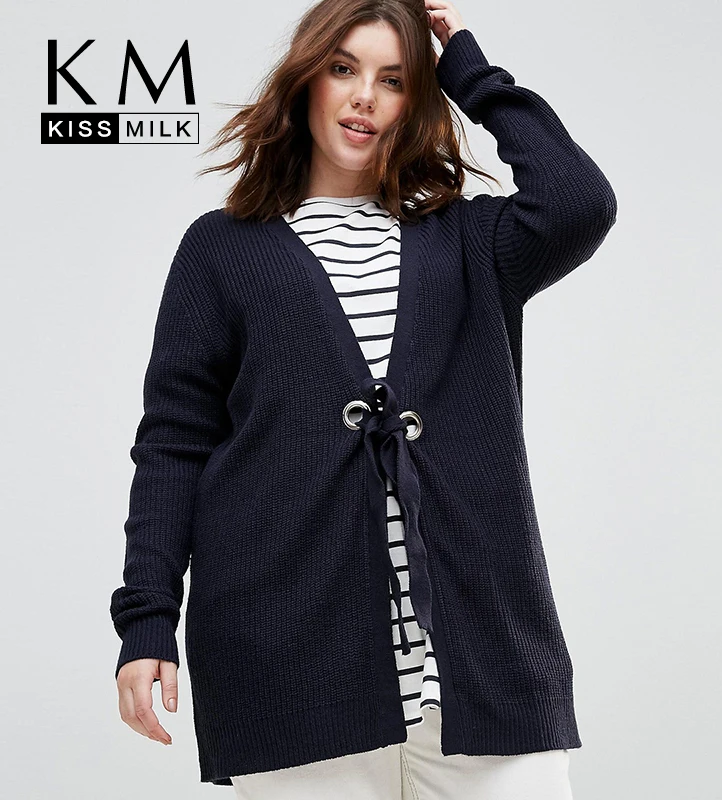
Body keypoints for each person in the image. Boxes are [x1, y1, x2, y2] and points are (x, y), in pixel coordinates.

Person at [110, 0, 617, 797]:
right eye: (343, 69)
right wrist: (147, 619)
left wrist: (468, 68)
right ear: (306, 80)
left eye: (393, 79)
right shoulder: (222, 249)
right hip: (291, 666)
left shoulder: (471, 241)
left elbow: (579, 200)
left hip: (483, 669)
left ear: (417, 101)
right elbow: (173, 443)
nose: (363, 97)